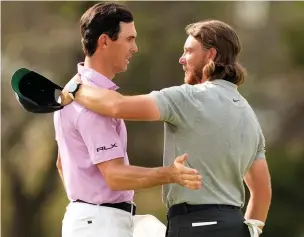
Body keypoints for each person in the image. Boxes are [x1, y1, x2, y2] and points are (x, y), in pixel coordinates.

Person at [60, 19, 272, 237]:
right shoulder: (249, 115)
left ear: (211, 55)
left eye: (189, 51)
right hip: (235, 227)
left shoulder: (188, 98)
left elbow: (116, 106)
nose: (182, 59)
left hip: (193, 227)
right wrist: (251, 231)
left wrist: (75, 88)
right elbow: (262, 191)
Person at [54, 3, 202, 237]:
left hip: (91, 220)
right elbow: (115, 175)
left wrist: (86, 205)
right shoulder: (93, 104)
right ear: (104, 41)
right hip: (100, 224)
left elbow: (63, 164)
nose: (135, 48)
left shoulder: (74, 91)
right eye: (129, 39)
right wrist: (170, 174)